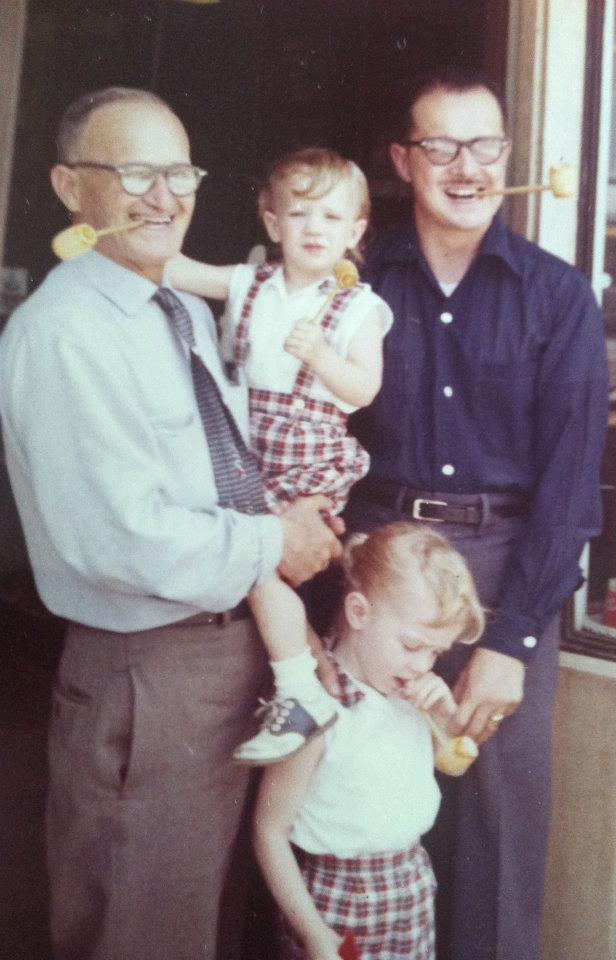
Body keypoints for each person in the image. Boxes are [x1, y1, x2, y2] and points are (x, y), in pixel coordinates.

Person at [0, 87, 342, 960]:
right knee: (138, 931)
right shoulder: (63, 333)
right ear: (71, 188)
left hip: (231, 658)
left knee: (195, 924)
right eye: (134, 173)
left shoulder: (184, 311)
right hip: (145, 678)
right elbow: (121, 538)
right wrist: (279, 542)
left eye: (179, 172)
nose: (164, 197)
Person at [336, 66, 610, 960]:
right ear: (402, 161)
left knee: (497, 833)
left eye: (484, 145)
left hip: (502, 576)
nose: (466, 167)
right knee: (351, 805)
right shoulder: (351, 280)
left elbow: (571, 488)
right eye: (440, 145)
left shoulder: (557, 296)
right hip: (375, 567)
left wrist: (512, 639)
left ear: (508, 157)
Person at [168, 148, 392, 765]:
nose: (314, 228)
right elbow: (176, 269)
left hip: (306, 454)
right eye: (298, 213)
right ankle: (307, 677)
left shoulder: (358, 308)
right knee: (253, 561)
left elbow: (365, 389)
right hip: (246, 449)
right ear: (272, 223)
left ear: (354, 232)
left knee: (261, 562)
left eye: (330, 216)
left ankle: (300, 688)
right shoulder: (249, 283)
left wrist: (321, 357)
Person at [253, 522, 485, 960]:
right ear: (359, 612)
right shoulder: (316, 708)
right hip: (336, 901)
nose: (423, 665)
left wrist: (446, 719)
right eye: (413, 645)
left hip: (410, 884)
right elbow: (269, 831)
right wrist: (313, 932)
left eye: (436, 652)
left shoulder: (409, 696)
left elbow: (454, 763)